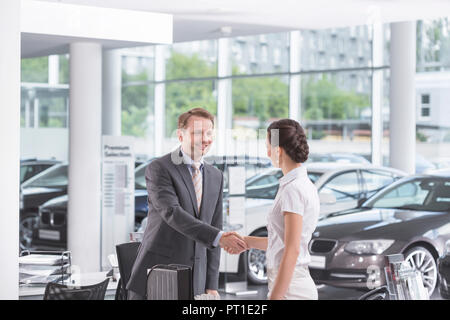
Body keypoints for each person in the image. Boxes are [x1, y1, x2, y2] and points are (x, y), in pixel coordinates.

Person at [126, 107, 247, 300]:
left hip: (195, 280)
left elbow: (215, 226)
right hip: (158, 273)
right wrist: (219, 237)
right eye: (197, 133)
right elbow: (172, 213)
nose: (205, 139)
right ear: (180, 136)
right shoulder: (160, 168)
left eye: (209, 133)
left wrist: (211, 284)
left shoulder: (215, 176)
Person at [225, 119, 320, 300]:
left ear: (278, 150)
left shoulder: (293, 189)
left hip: (291, 290)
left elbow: (292, 250)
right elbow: (282, 242)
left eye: (268, 147)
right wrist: (245, 241)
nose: (267, 153)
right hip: (290, 284)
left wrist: (275, 297)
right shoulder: (299, 185)